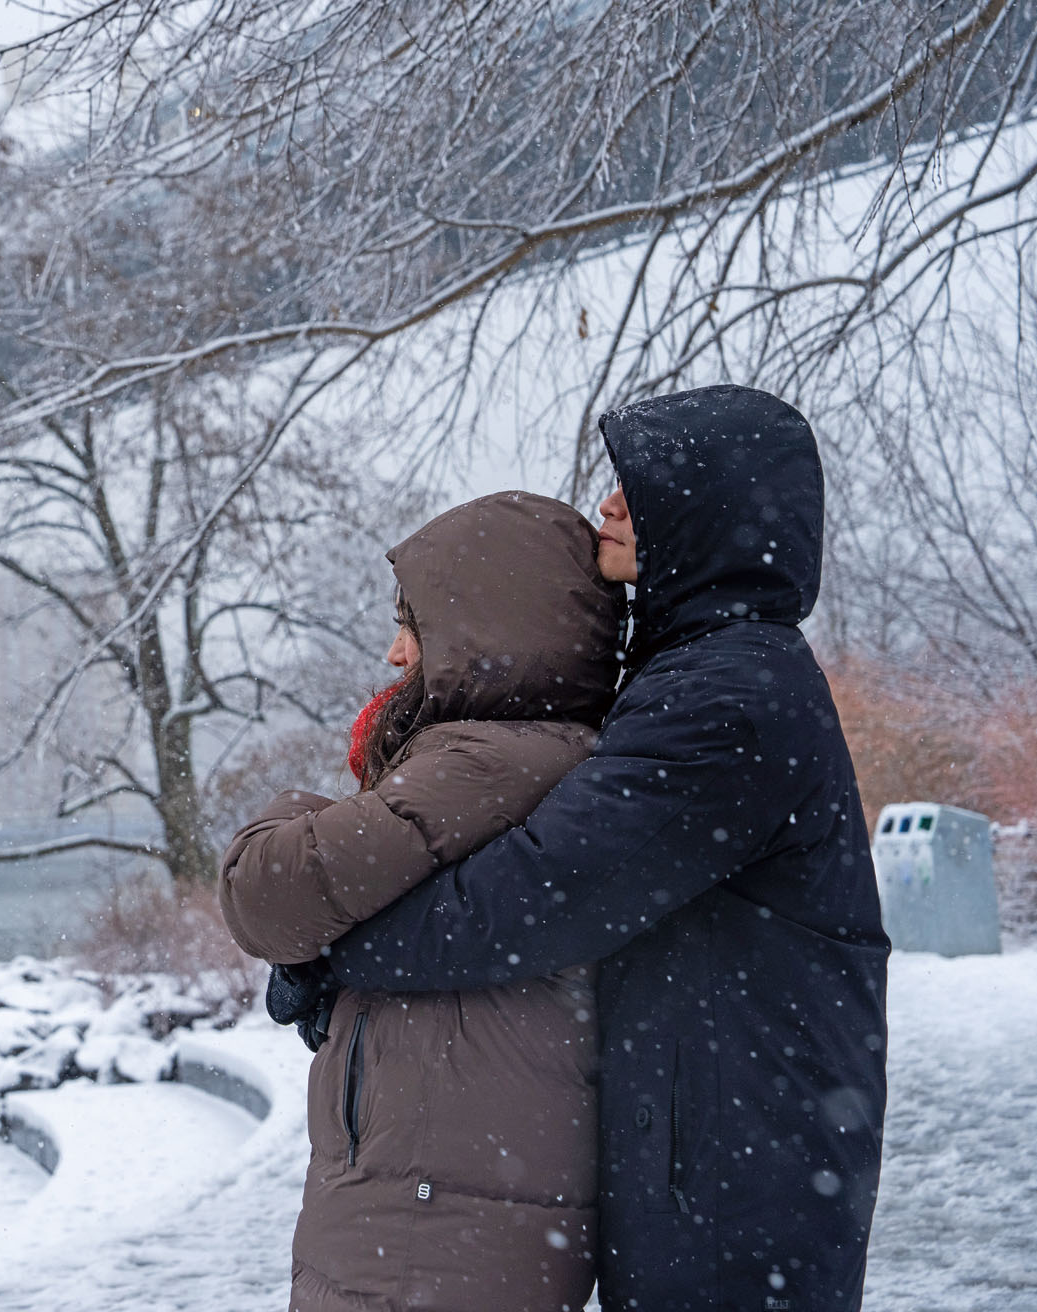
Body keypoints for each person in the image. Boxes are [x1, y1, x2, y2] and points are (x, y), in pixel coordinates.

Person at [327, 385, 889, 1311]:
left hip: (735, 1177)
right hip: (726, 1149)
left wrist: (335, 948)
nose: (610, 503)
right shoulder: (704, 670)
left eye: (643, 485)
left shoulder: (726, 697)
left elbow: (537, 896)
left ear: (713, 510)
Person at [219, 490, 627, 1312]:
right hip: (438, 1206)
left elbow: (263, 895)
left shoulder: (486, 765)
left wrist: (295, 811)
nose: (395, 652)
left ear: (488, 632)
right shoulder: (527, 755)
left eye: (414, 625)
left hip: (429, 1226)